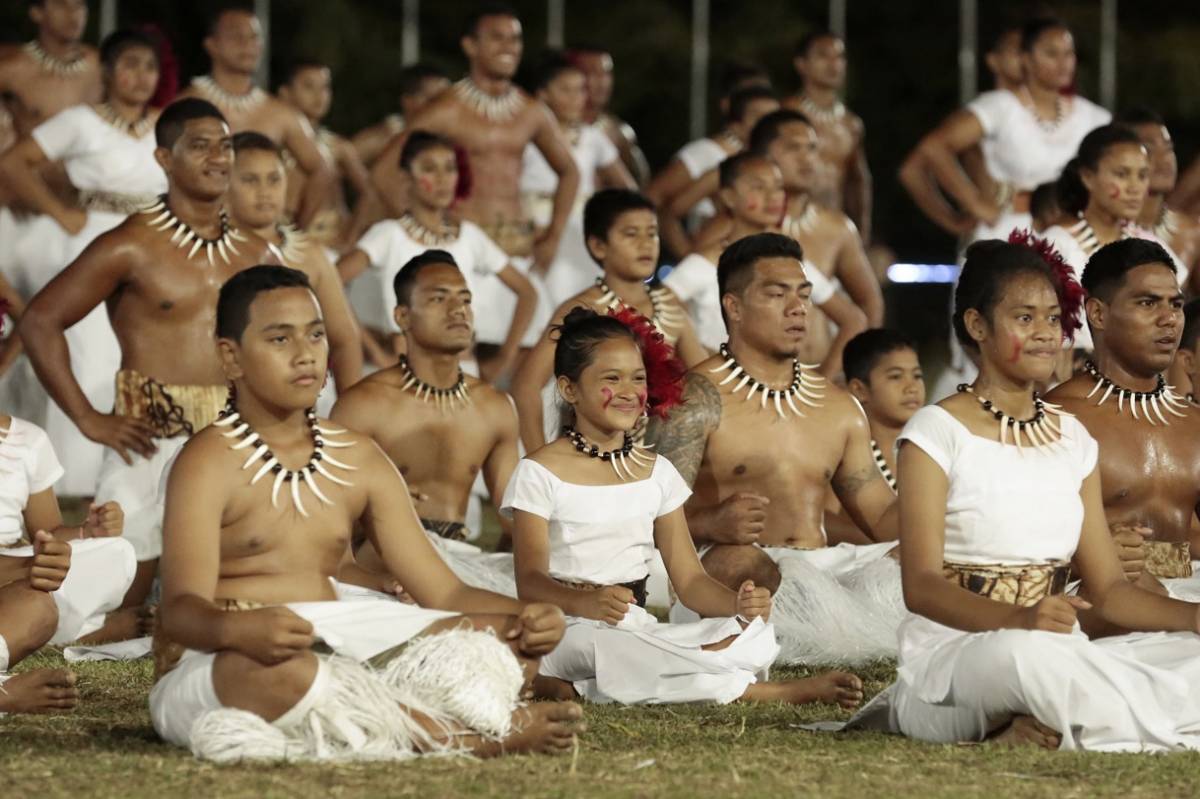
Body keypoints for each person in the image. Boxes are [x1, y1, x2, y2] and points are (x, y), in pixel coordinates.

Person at [151, 265, 584, 761]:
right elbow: (180, 610)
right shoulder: (205, 462)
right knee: (281, 674)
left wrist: (526, 617)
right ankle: (463, 737)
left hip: (336, 636)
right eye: (279, 339)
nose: (304, 354)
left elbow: (443, 591)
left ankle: (368, 721)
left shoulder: (357, 456)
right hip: (221, 660)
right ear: (231, 357)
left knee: (505, 637)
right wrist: (239, 631)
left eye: (315, 335)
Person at [879, 238, 1200, 751]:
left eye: (1052, 319)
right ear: (977, 326)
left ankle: (1059, 722)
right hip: (962, 656)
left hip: (1057, 644)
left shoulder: (1072, 438)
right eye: (1024, 319)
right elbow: (920, 586)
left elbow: (1112, 590)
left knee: (1187, 658)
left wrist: (1194, 618)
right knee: (1032, 660)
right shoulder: (934, 432)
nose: (1046, 335)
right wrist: (1020, 621)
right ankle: (1104, 720)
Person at [510, 305, 863, 708]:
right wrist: (585, 603)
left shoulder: (656, 471)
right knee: (617, 650)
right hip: (567, 628)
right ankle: (763, 692)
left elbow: (690, 581)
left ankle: (580, 688)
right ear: (570, 389)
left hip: (633, 626)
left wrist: (738, 606)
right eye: (612, 379)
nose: (628, 391)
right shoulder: (538, 471)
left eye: (638, 378)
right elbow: (530, 581)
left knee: (750, 635)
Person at [18, 98, 273, 607]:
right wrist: (90, 419)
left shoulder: (255, 251)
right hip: (147, 447)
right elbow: (39, 321)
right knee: (116, 597)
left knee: (254, 588)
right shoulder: (131, 244)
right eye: (200, 146)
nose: (219, 158)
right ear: (163, 159)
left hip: (236, 444)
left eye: (225, 146)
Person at [646, 233, 902, 665]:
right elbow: (641, 514)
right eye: (777, 294)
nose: (797, 307)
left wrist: (945, 515)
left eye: (803, 295)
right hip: (735, 569)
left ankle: (826, 628)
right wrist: (712, 522)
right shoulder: (695, 400)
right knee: (742, 564)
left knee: (919, 556)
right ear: (734, 307)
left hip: (824, 569)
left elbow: (880, 516)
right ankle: (824, 631)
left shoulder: (840, 407)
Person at [0, 29, 165, 496]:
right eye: (130, 64)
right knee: (90, 360)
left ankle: (140, 485)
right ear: (108, 72)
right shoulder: (80, 121)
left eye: (149, 66)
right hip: (92, 242)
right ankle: (73, 488)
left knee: (143, 357)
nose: (140, 76)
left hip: (152, 245)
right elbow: (13, 163)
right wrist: (61, 213)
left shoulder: (164, 127)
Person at [331, 250, 523, 582]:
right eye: (439, 299)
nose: (458, 310)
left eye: (465, 299)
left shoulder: (495, 407)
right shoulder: (363, 405)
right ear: (402, 317)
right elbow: (332, 521)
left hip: (459, 556)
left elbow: (513, 517)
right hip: (380, 562)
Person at [370, 5, 579, 281]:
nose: (509, 46)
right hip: (463, 252)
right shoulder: (448, 108)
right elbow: (383, 172)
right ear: (470, 46)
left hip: (519, 252)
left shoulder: (531, 112)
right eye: (497, 37)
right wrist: (420, 229)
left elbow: (570, 172)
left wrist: (553, 238)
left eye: (514, 39)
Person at [667, 110, 884, 369]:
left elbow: (855, 318)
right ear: (728, 196)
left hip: (791, 389)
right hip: (723, 393)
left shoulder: (796, 256)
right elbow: (661, 308)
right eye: (759, 187)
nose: (772, 197)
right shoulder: (714, 251)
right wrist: (700, 366)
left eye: (777, 187)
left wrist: (826, 385)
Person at [1046, 239, 1198, 603]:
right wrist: (1090, 558)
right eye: (1147, 303)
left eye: (1175, 305)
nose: (1169, 319)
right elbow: (1016, 544)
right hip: (1095, 604)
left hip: (1187, 591)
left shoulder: (1194, 421)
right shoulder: (1058, 418)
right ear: (1098, 314)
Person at [512, 189, 705, 452]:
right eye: (630, 234)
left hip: (658, 459)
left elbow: (707, 383)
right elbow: (526, 386)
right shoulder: (581, 310)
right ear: (598, 246)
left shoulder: (671, 308)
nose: (645, 243)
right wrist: (540, 462)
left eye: (651, 233)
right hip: (591, 458)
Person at [338, 131, 537, 378]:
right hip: (405, 373)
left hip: (464, 372)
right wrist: (373, 350)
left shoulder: (470, 237)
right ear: (406, 179)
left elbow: (528, 292)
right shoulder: (388, 235)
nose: (443, 179)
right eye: (430, 169)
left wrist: (504, 357)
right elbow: (331, 284)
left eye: (450, 168)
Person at [905, 17, 1110, 248]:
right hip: (1007, 232)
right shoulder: (1000, 106)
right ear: (1026, 59)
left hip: (1074, 234)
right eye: (1051, 54)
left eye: (1069, 53)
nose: (1063, 63)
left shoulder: (1094, 117)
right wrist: (974, 204)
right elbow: (934, 148)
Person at [0, 383, 138, 712]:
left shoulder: (28, 440)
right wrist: (26, 568)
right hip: (13, 568)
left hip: (12, 576)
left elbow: (47, 535)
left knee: (115, 554)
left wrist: (86, 531)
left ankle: (65, 631)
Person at [227, 130, 362, 395]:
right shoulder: (211, 253)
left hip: (306, 399)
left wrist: (351, 412)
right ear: (225, 184)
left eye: (274, 179)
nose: (264, 191)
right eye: (250, 180)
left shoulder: (310, 255)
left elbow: (345, 339)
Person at [179, 6, 332, 227]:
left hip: (262, 239)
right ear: (211, 45)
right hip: (197, 235)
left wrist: (298, 230)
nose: (247, 44)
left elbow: (321, 170)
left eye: (254, 37)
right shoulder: (185, 106)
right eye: (236, 36)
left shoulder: (280, 113)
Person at [1041, 124, 1183, 352]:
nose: (1135, 187)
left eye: (1142, 175)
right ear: (1088, 177)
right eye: (1122, 174)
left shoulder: (1152, 247)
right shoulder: (1056, 245)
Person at [521, 53, 635, 306]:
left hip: (579, 231)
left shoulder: (592, 137)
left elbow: (627, 190)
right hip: (534, 229)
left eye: (580, 90)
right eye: (565, 90)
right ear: (542, 94)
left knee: (580, 306)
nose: (576, 98)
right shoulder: (525, 135)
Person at [899, 26, 1025, 239]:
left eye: (1028, 50)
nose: (1024, 58)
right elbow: (912, 171)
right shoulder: (979, 116)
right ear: (993, 60)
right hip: (995, 235)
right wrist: (959, 216)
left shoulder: (1044, 117)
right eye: (1016, 50)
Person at [648, 83, 780, 260]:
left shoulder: (773, 165)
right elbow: (663, 207)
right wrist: (687, 258)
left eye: (773, 118)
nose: (767, 126)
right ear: (736, 123)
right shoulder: (716, 160)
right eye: (759, 117)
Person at [277, 59, 377, 249]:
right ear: (285, 93)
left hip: (326, 241)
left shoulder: (338, 146)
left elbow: (369, 193)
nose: (319, 95)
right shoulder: (274, 147)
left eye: (324, 88)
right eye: (309, 86)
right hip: (282, 237)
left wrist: (350, 238)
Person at [781, 30, 871, 241]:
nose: (834, 64)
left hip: (833, 231)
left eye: (839, 57)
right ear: (801, 64)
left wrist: (863, 235)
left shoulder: (851, 124)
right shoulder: (784, 115)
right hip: (791, 228)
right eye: (823, 56)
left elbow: (858, 182)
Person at [1118, 107, 1200, 288]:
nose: (1165, 158)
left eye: (1169, 148)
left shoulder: (1192, 231)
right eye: (1148, 148)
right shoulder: (1104, 230)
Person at [0, 0, 100, 140]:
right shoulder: (13, 69)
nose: (73, 13)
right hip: (35, 160)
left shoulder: (103, 66)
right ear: (36, 13)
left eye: (79, 5)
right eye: (61, 5)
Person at [844, 328, 926, 492]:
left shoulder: (936, 446)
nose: (912, 388)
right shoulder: (846, 459)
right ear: (859, 390)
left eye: (917, 376)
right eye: (896, 376)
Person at [566, 45, 650, 187]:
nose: (602, 82)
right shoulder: (552, 127)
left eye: (606, 73)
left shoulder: (620, 134)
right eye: (591, 72)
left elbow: (641, 183)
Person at [350, 63, 449, 168]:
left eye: (446, 101)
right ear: (407, 101)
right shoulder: (385, 137)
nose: (442, 108)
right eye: (433, 100)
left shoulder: (451, 138)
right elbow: (337, 163)